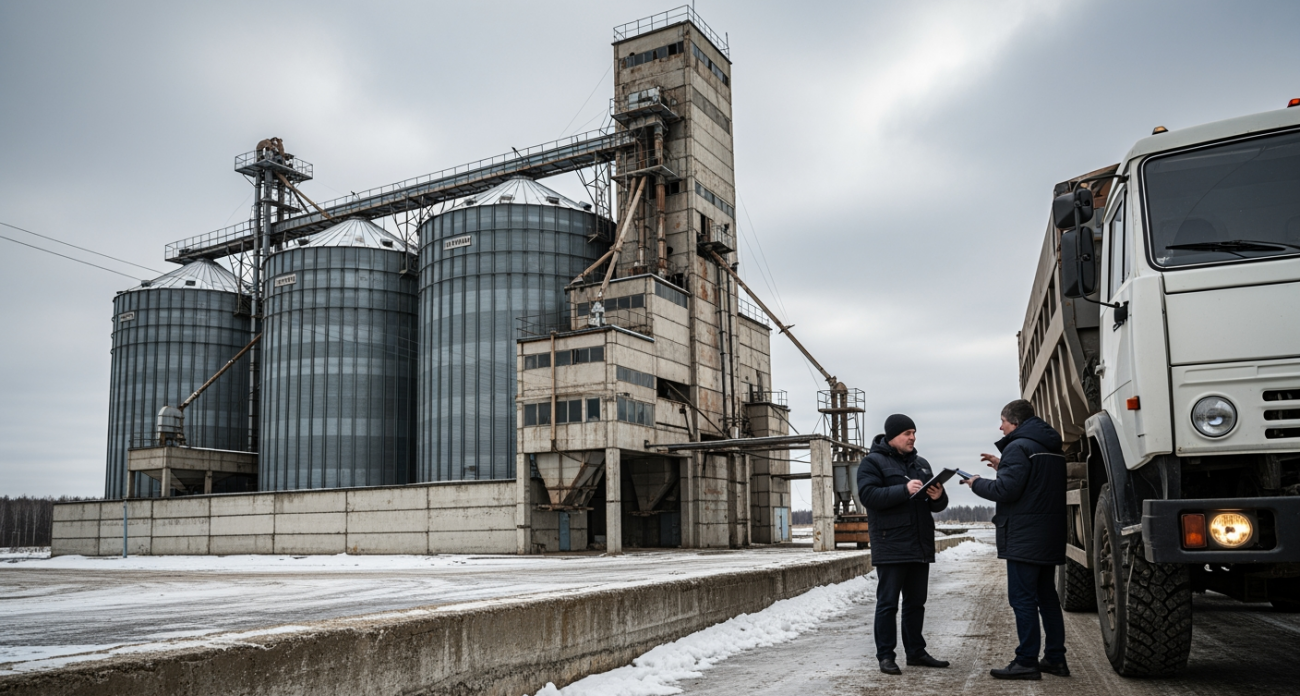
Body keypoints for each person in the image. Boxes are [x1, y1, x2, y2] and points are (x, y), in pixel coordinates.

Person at [961, 399, 1069, 680]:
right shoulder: (1049, 448)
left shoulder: (1017, 447)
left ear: (1016, 424)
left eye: (1003, 421)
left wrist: (976, 483)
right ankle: (1055, 658)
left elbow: (1006, 491)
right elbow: (1032, 484)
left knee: (1022, 599)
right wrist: (1002, 466)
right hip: (1048, 534)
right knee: (1047, 598)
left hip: (1024, 536)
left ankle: (1026, 661)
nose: (1000, 427)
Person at [857, 413, 950, 675]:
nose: (913, 437)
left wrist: (938, 495)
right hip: (891, 544)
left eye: (914, 432)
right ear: (892, 436)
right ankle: (886, 656)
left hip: (919, 544)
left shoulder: (921, 463)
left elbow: (939, 506)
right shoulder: (872, 463)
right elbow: (868, 496)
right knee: (888, 603)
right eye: (907, 433)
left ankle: (916, 652)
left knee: (915, 603)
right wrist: (904, 490)